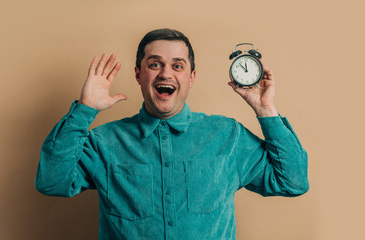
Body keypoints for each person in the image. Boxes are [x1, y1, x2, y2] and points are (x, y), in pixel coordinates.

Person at [35, 28, 309, 240]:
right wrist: (84, 111)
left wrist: (265, 109)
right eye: (155, 64)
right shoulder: (104, 142)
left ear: (191, 77)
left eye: (178, 65)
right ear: (138, 75)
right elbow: (52, 182)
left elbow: (292, 182)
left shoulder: (227, 135)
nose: (166, 73)